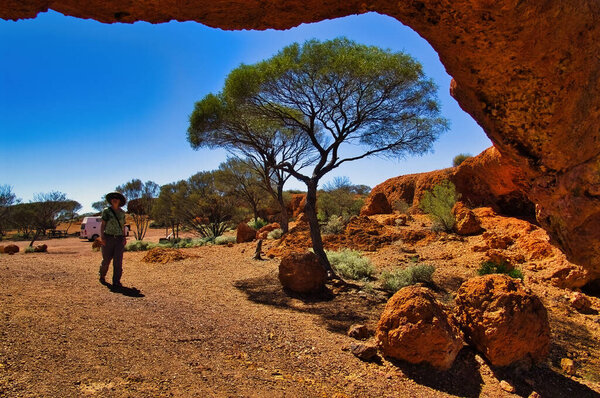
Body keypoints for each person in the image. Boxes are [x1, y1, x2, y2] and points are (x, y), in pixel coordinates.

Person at [98, 192, 128, 289]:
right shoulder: (106, 211)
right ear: (111, 200)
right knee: (106, 260)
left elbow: (123, 226)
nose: (115, 200)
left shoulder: (122, 213)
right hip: (108, 238)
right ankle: (102, 275)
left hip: (119, 239)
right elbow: (103, 225)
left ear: (120, 201)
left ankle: (116, 281)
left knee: (118, 261)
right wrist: (102, 237)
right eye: (113, 198)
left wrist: (124, 237)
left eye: (117, 198)